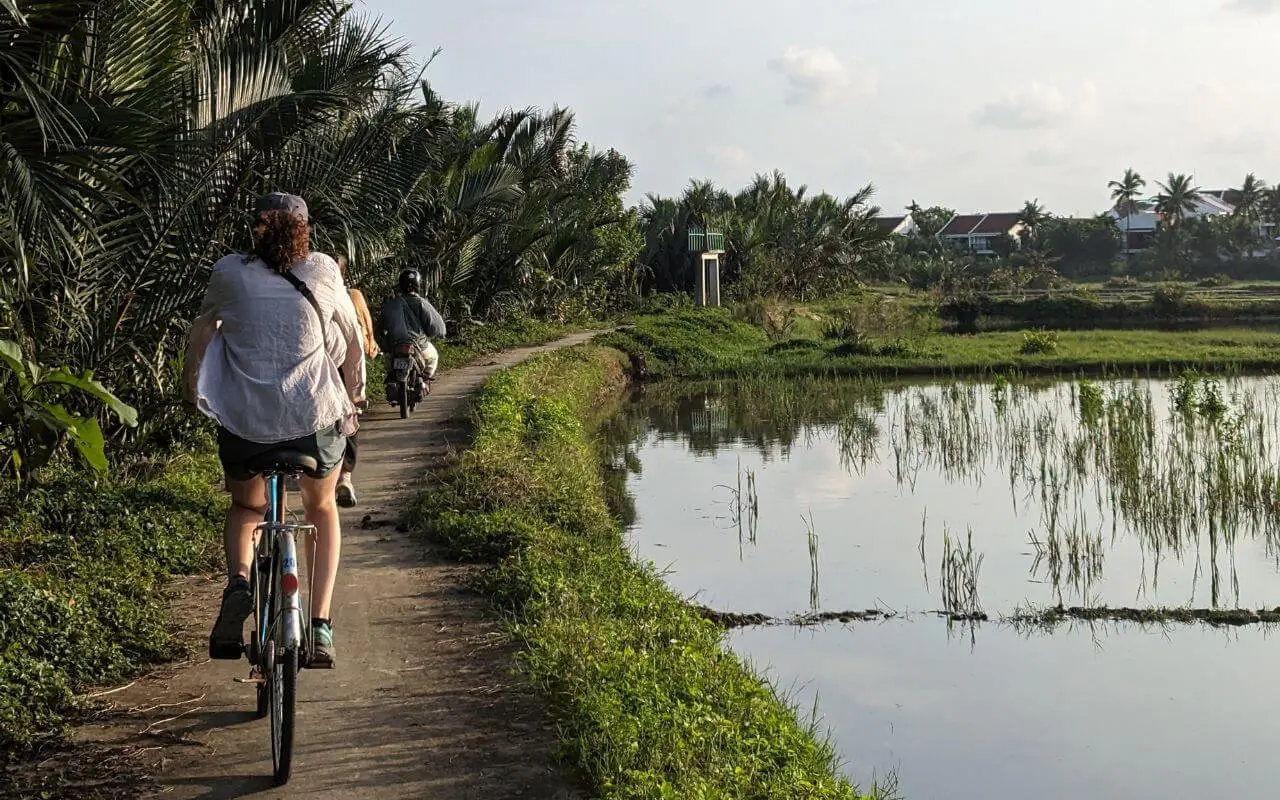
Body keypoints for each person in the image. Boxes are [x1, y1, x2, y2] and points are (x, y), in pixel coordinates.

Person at [184, 192, 365, 668]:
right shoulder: (325, 270)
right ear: (304, 232)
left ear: (255, 231)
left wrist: (194, 392)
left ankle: (240, 582)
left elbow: (201, 334)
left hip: (245, 424)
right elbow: (350, 341)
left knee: (247, 506)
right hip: (312, 423)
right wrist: (355, 394)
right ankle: (320, 624)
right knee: (322, 507)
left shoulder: (229, 272)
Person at [335, 256, 379, 508]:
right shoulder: (350, 297)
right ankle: (345, 475)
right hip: (343, 370)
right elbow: (360, 340)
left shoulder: (293, 294)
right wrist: (357, 392)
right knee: (350, 419)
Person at [375, 268, 446, 394]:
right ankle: (425, 379)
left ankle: (392, 377)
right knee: (433, 357)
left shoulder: (391, 304)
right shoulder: (422, 303)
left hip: (395, 345)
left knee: (388, 359)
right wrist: (434, 334)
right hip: (418, 344)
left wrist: (383, 343)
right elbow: (437, 327)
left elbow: (380, 327)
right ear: (418, 285)